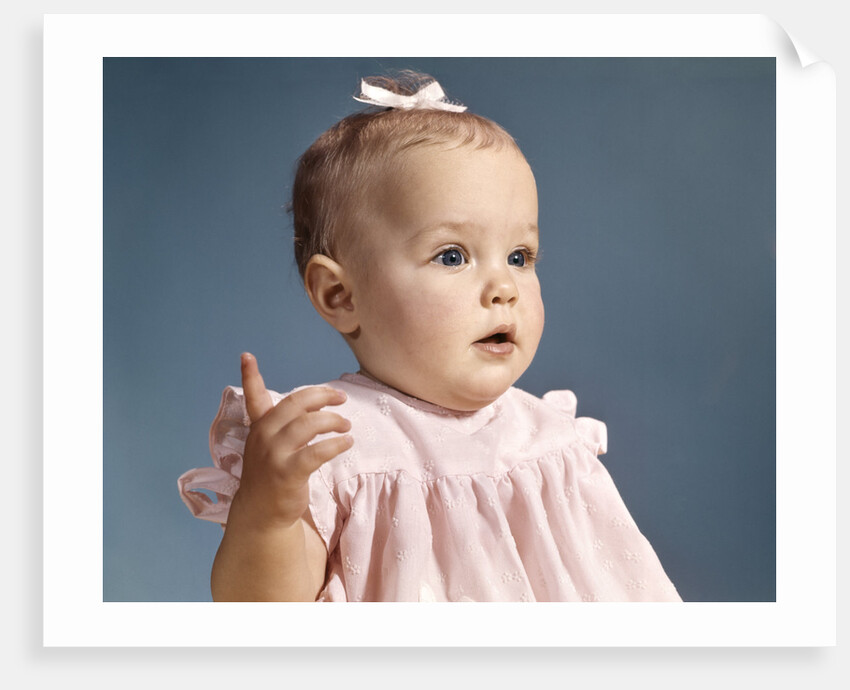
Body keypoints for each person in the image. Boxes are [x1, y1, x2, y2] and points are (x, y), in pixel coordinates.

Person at [178, 71, 682, 603]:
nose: (504, 287)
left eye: (519, 257)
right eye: (452, 256)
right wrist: (268, 514)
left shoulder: (553, 442)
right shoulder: (335, 447)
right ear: (340, 296)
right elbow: (262, 612)